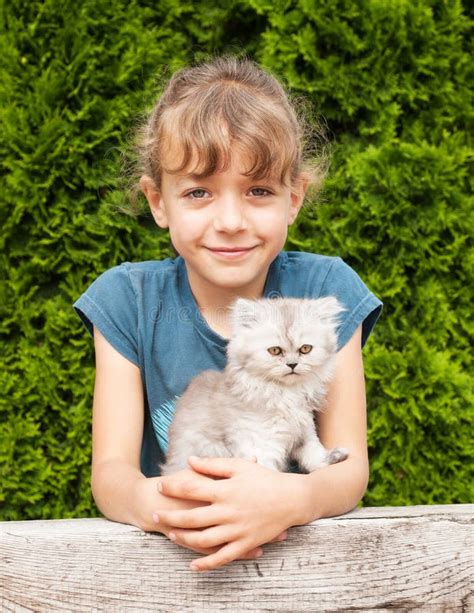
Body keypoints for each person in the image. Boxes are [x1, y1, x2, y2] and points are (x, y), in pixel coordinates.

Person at [73, 55, 383, 572]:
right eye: (199, 192)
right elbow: (111, 473)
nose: (232, 221)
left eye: (258, 190)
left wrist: (291, 499)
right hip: (170, 568)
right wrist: (162, 506)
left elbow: (348, 468)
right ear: (158, 202)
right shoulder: (127, 301)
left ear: (294, 199)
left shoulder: (327, 290)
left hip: (300, 567)